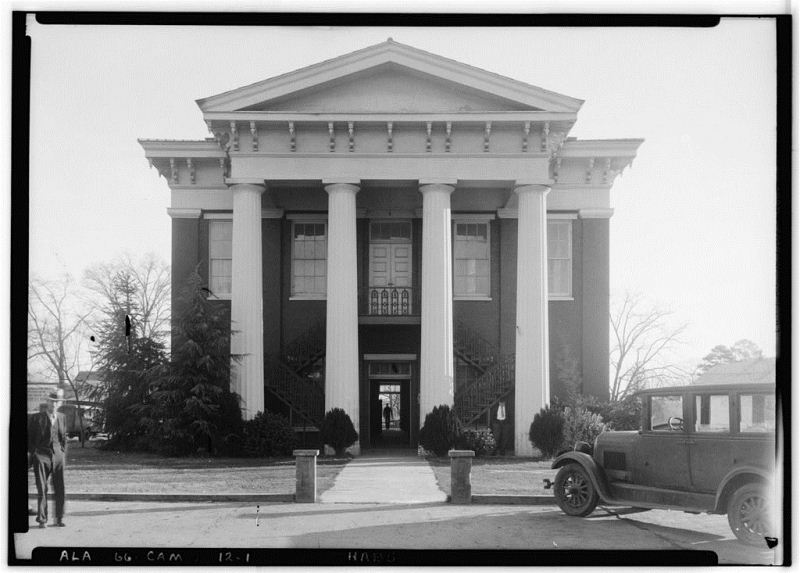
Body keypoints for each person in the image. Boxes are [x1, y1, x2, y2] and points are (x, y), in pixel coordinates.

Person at [28, 390, 67, 528]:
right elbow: (29, 439)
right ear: (48, 402)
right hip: (41, 456)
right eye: (52, 401)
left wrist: (61, 453)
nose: (54, 404)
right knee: (42, 488)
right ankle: (42, 520)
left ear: (59, 403)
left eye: (57, 401)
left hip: (58, 457)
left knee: (60, 487)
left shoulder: (62, 417)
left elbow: (63, 439)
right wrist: (35, 453)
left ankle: (59, 518)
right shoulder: (36, 418)